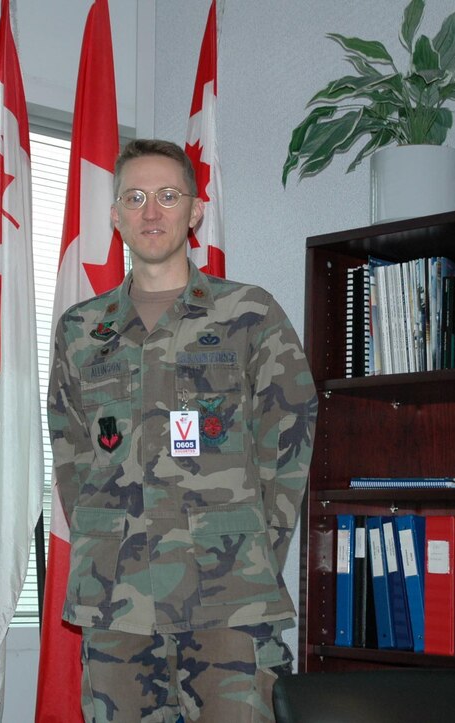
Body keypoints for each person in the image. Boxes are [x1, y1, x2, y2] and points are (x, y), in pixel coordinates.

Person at [48, 139, 317, 722]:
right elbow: (70, 451)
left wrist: (257, 542)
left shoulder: (249, 313)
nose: (152, 212)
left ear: (195, 211)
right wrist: (106, 532)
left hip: (230, 597)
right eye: (136, 198)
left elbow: (290, 429)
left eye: (168, 196)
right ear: (115, 216)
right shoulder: (81, 329)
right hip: (116, 598)